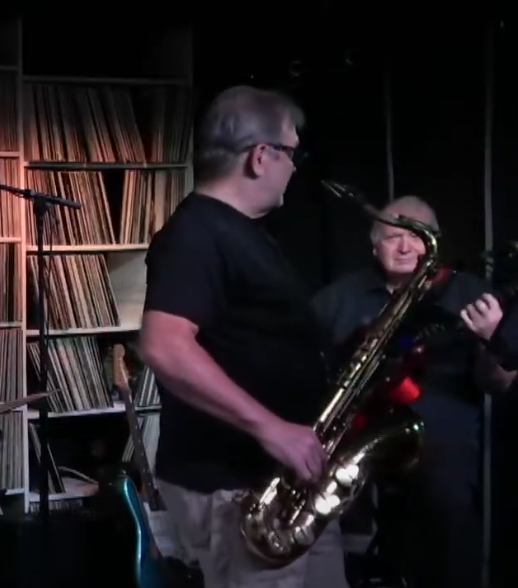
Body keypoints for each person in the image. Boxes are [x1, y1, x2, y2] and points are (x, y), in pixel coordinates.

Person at [136, 85, 346, 588]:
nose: (295, 168)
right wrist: (271, 428)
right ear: (260, 156)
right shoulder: (196, 234)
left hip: (280, 483)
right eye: (292, 152)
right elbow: (164, 344)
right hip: (235, 488)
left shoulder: (244, 232)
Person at [312, 196, 516, 588]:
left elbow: (500, 383)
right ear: (375, 246)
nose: (405, 246)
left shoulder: (473, 294)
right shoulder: (335, 299)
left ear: (435, 243)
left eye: (416, 236)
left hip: (440, 452)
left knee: (449, 530)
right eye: (392, 236)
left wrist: (492, 341)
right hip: (353, 444)